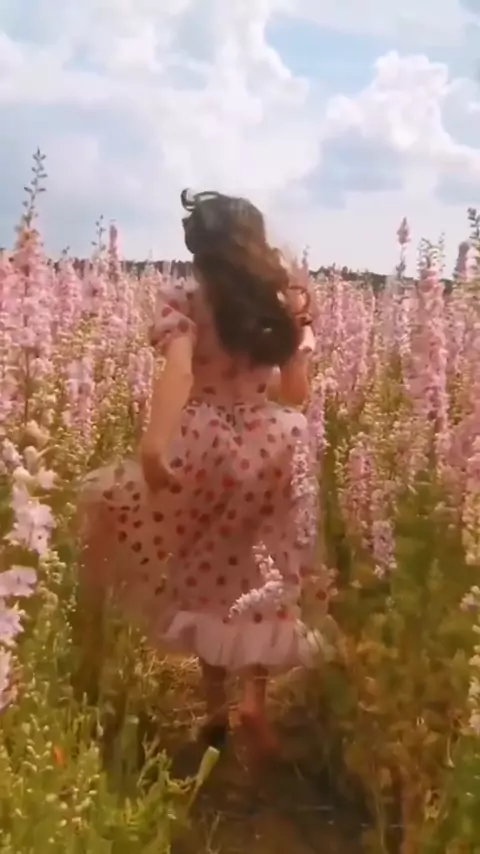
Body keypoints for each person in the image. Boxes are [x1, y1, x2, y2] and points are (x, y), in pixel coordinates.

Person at [78, 189, 326, 760]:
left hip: (206, 448)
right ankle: (254, 701)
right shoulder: (277, 308)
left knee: (207, 574)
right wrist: (295, 344)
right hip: (274, 447)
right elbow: (295, 395)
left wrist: (154, 446)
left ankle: (215, 709)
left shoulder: (188, 302)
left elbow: (181, 374)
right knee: (266, 572)